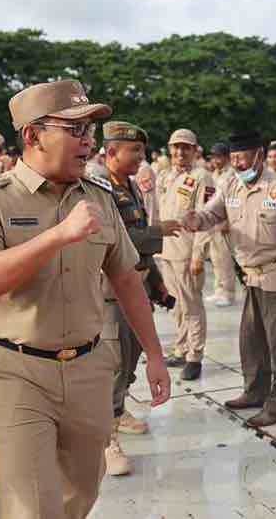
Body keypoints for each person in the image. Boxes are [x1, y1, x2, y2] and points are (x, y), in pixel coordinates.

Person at [0, 79, 170, 518]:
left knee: (80, 494)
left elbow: (126, 278)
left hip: (89, 370)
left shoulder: (99, 199)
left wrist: (154, 353)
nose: (89, 142)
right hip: (17, 372)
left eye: (91, 131)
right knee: (31, 507)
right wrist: (57, 236)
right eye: (75, 130)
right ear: (33, 135)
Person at [185, 130, 276, 427]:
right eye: (234, 157)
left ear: (259, 155)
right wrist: (195, 219)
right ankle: (255, 392)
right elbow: (212, 214)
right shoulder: (230, 184)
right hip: (249, 277)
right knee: (251, 342)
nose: (238, 163)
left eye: (243, 156)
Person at [99, 120, 182, 476]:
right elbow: (121, 242)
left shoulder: (128, 186)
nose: (141, 158)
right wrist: (159, 231)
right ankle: (105, 440)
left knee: (130, 360)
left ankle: (118, 411)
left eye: (142, 152)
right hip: (111, 294)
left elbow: (139, 255)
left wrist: (157, 284)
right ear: (111, 152)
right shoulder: (99, 188)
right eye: (134, 151)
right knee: (114, 365)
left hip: (137, 287)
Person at [159, 128, 214, 381]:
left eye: (186, 148)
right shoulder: (167, 175)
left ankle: (195, 356)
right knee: (177, 305)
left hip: (187, 251)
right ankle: (181, 348)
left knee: (192, 305)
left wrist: (198, 254)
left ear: (195, 150)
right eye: (176, 147)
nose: (180, 152)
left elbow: (206, 217)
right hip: (168, 251)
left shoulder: (202, 176)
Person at [206, 142, 238, 307]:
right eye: (213, 157)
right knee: (216, 258)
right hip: (213, 221)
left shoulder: (232, 174)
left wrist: (226, 220)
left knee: (225, 259)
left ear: (226, 157)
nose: (216, 160)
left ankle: (228, 293)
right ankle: (218, 289)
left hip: (225, 222)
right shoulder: (215, 173)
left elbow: (231, 200)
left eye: (218, 156)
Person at [135, 150, 159, 226]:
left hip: (147, 195)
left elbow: (146, 187)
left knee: (149, 215)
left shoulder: (145, 167)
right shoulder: (138, 166)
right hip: (142, 195)